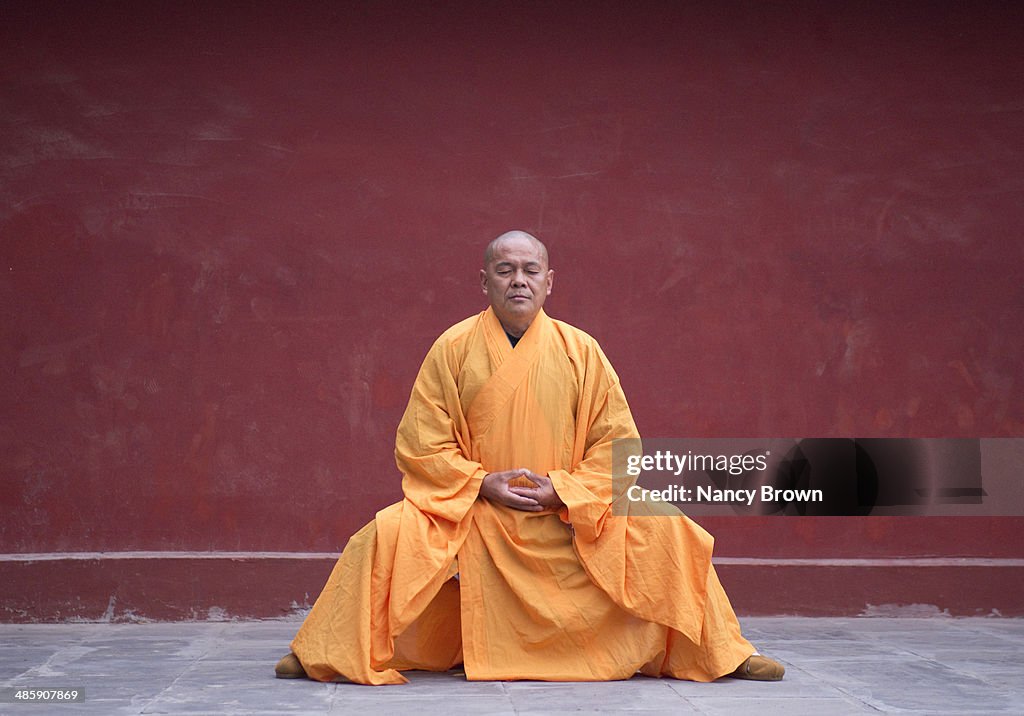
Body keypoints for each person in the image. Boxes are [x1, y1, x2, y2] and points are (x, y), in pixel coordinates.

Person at [274, 230, 784, 684]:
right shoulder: (453, 348)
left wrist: (563, 490)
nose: (518, 280)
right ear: (484, 282)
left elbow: (618, 445)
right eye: (505, 270)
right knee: (383, 534)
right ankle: (323, 648)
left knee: (669, 526)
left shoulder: (581, 350)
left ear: (548, 282)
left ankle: (724, 652)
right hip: (477, 509)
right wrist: (481, 483)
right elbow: (421, 443)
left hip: (567, 511)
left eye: (530, 270)